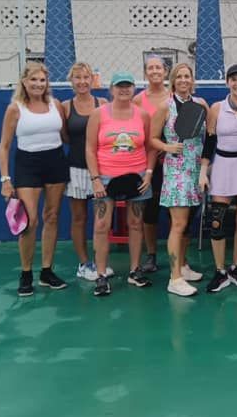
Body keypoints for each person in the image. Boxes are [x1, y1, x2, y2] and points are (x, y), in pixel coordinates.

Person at [0, 62, 70, 297]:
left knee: (52, 216)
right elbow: (4, 146)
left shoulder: (56, 105)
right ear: (24, 82)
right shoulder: (15, 109)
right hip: (27, 165)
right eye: (34, 80)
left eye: (42, 80)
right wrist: (5, 180)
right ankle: (26, 273)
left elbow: (66, 136)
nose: (38, 84)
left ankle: (47, 271)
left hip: (55, 162)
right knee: (30, 221)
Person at [85, 71, 155, 297]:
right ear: (112, 89)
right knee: (101, 225)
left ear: (134, 88)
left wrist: (148, 174)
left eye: (128, 86)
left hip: (137, 177)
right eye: (119, 86)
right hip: (105, 178)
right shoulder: (98, 114)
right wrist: (95, 179)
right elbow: (90, 149)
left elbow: (150, 147)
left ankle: (135, 271)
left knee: (135, 224)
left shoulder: (142, 115)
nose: (124, 90)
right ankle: (101, 275)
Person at [199, 64, 237, 293]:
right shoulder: (217, 108)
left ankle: (235, 267)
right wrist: (203, 172)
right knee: (217, 220)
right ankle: (219, 270)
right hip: (223, 166)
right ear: (227, 83)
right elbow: (209, 141)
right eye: (233, 79)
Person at [150, 63, 208, 297]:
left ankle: (183, 266)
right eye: (179, 76)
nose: (184, 80)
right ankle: (174, 279)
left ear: (192, 80)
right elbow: (152, 138)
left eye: (187, 76)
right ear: (173, 81)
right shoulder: (165, 107)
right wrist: (167, 147)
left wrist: (205, 169)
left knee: (188, 224)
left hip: (196, 170)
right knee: (178, 225)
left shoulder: (201, 105)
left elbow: (209, 136)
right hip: (176, 171)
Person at [61, 62, 112, 282]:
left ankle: (100, 263)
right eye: (77, 78)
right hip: (76, 170)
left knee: (102, 220)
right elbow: (65, 137)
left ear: (92, 80)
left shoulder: (103, 104)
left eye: (86, 77)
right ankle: (84, 264)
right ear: (71, 81)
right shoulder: (65, 107)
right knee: (79, 218)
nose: (82, 82)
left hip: (102, 170)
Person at [135, 56, 171, 273]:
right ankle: (151, 255)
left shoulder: (175, 96)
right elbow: (135, 131)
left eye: (159, 67)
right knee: (150, 209)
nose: (155, 71)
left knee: (176, 210)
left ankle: (179, 258)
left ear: (165, 72)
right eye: (151, 68)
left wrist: (167, 149)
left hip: (173, 161)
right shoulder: (138, 100)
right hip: (148, 162)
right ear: (146, 72)